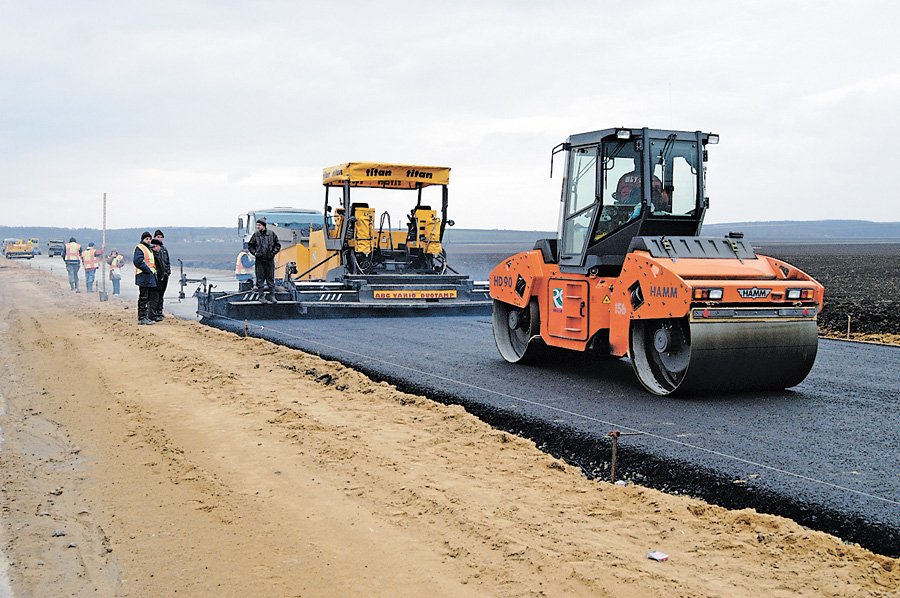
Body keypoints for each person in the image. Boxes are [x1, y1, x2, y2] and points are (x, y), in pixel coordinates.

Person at [247, 216, 281, 304]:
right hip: (259, 261)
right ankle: (261, 297)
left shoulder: (271, 234)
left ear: (264, 225)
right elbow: (250, 246)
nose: (258, 227)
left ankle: (272, 296)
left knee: (270, 278)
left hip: (269, 260)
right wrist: (255, 253)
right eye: (257, 225)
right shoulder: (256, 235)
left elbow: (278, 245)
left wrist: (272, 253)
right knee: (260, 279)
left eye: (259, 225)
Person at [133, 232, 158, 325]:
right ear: (143, 239)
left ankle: (145, 316)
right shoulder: (140, 248)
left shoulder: (149, 249)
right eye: (146, 239)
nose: (148, 240)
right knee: (143, 297)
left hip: (149, 276)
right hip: (144, 275)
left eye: (149, 239)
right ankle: (142, 317)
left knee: (147, 297)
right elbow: (138, 261)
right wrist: (148, 270)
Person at [150, 230, 171, 321]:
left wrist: (167, 272)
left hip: (164, 275)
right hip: (157, 275)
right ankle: (154, 313)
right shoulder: (152, 249)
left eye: (161, 237)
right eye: (158, 237)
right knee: (155, 295)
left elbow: (167, 262)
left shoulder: (164, 249)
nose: (159, 238)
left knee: (161, 294)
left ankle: (160, 311)